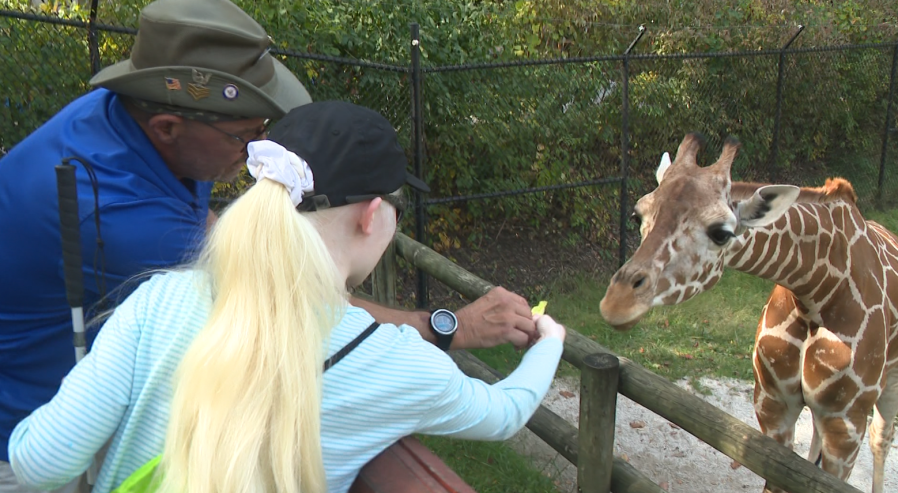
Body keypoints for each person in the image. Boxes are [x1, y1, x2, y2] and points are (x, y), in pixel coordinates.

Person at [0, 0, 536, 490]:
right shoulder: (122, 223)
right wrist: (448, 328)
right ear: (167, 125)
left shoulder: (131, 123)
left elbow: (214, 226)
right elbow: (289, 296)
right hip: (27, 435)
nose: (256, 151)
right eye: (244, 137)